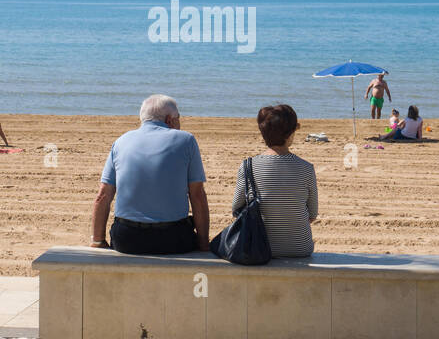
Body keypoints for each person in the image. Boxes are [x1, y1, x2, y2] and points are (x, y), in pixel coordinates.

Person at [91, 94, 209, 254]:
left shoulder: (121, 141)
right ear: (170, 120)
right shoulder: (186, 140)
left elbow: (103, 196)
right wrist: (203, 245)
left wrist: (98, 241)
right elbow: (197, 195)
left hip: (127, 240)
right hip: (172, 239)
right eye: (179, 118)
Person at [231, 104, 318, 258]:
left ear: (263, 134)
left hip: (257, 246)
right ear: (291, 134)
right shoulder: (306, 168)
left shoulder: (247, 166)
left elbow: (236, 209)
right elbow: (312, 214)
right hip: (299, 248)